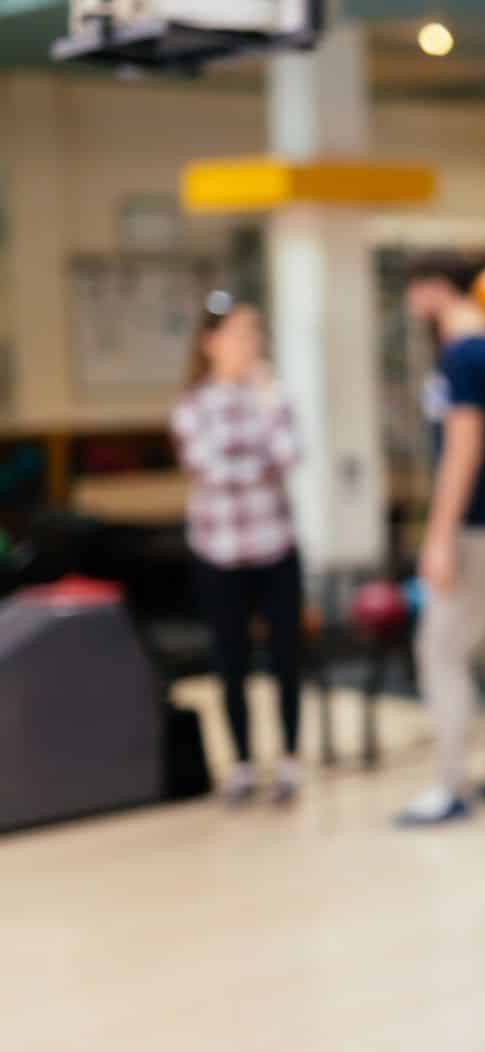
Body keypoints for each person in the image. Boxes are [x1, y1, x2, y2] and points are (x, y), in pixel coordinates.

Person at [395, 252, 485, 827]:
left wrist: (438, 536)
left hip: (479, 528)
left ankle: (449, 785)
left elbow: (463, 449)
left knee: (440, 652)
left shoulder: (460, 357)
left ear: (433, 289)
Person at [171, 291, 305, 806]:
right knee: (231, 661)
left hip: (276, 546)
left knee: (286, 657)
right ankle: (244, 764)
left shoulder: (272, 393)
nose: (252, 343)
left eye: (256, 332)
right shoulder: (192, 404)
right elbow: (212, 471)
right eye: (241, 333)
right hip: (218, 550)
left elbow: (290, 456)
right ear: (211, 342)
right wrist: (260, 464)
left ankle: (290, 759)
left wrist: (268, 410)